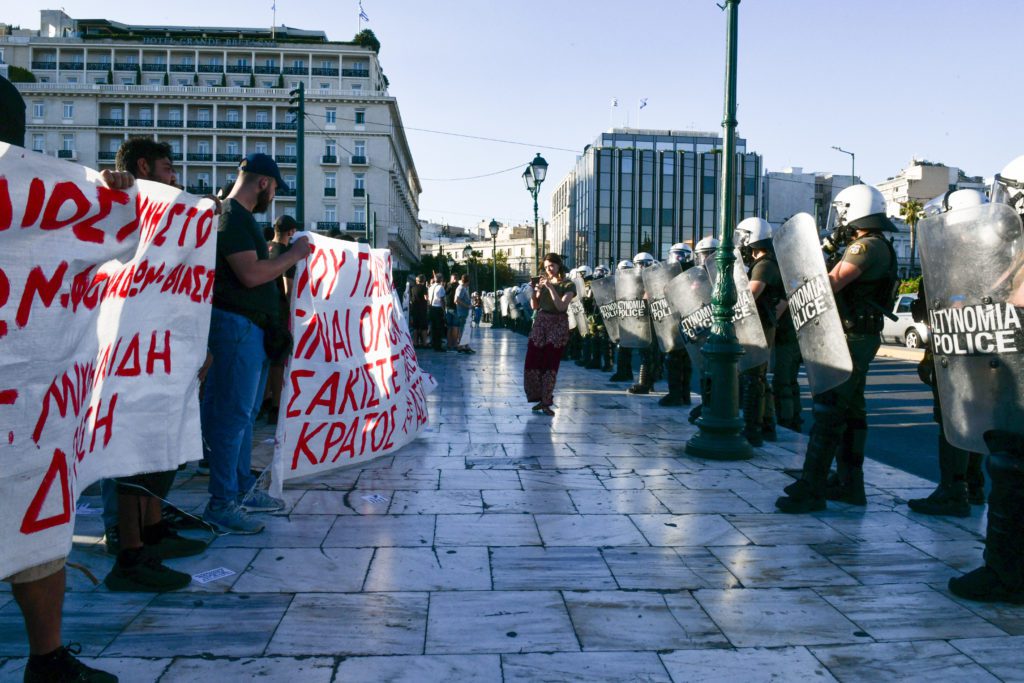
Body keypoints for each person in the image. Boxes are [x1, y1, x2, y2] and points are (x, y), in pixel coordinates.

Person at [1, 72, 119, 683]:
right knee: (33, 511)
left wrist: (115, 196)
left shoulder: (38, 202)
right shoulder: (36, 198)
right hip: (27, 402)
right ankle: (46, 660)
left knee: (35, 512)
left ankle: (48, 660)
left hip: (26, 401)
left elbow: (126, 241)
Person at [99, 138, 209, 593]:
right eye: (167, 168)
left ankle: (151, 531)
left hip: (163, 350)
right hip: (126, 352)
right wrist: (109, 187)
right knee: (132, 448)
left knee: (162, 443)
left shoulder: (169, 214)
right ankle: (130, 552)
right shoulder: (114, 200)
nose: (174, 177)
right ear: (144, 166)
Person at [201, 153, 309, 534]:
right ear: (263, 183)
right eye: (275, 188)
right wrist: (294, 255)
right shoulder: (232, 216)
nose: (274, 197)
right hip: (236, 327)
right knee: (232, 416)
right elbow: (250, 274)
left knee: (241, 416)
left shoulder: (240, 218)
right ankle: (222, 502)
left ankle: (241, 488)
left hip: (248, 329)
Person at [775, 184, 898, 513]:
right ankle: (849, 484)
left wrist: (822, 254)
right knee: (851, 411)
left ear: (854, 210)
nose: (839, 217)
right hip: (857, 333)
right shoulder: (873, 243)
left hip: (853, 335)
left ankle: (812, 487)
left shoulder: (866, 247)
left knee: (830, 407)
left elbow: (830, 283)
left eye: (843, 209)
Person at [737, 218, 784, 446]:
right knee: (759, 378)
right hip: (760, 325)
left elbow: (750, 295)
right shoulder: (763, 263)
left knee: (753, 377)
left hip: (762, 326)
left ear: (751, 238)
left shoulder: (765, 265)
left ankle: (753, 428)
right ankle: (766, 425)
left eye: (742, 237)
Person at [524, 253, 576, 416]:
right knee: (532, 360)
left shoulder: (568, 285)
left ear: (559, 265)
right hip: (541, 322)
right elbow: (534, 306)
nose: (549, 270)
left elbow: (561, 307)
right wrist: (534, 291)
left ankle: (546, 401)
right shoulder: (543, 282)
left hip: (557, 324)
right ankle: (537, 397)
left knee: (550, 364)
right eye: (546, 267)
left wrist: (551, 287)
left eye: (551, 266)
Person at [260, 214, 300, 425]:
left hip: (261, 309)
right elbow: (288, 288)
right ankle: (276, 405)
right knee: (278, 360)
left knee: (264, 357)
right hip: (279, 312)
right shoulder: (286, 253)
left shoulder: (265, 247)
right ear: (291, 232)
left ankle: (262, 399)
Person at [660, 244, 695, 406]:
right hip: (687, 321)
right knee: (684, 360)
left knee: (675, 359)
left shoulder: (688, 274)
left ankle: (676, 394)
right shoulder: (693, 272)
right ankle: (684, 394)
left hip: (682, 320)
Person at [627, 252, 659, 395]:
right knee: (645, 351)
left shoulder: (655, 279)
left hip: (652, 319)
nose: (642, 267)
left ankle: (645, 383)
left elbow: (648, 298)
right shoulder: (633, 281)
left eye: (645, 264)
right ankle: (649, 382)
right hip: (641, 319)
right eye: (640, 264)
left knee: (648, 351)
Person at [453, 274, 475, 353]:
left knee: (466, 329)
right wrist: (467, 306)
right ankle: (461, 346)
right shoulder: (461, 288)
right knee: (463, 329)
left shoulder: (463, 288)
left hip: (464, 312)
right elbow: (456, 300)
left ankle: (466, 345)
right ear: (468, 281)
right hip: (463, 312)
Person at [408, 275, 430, 347]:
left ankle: (415, 343)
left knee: (415, 327)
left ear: (417, 281)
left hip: (414, 309)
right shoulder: (424, 288)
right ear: (423, 280)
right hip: (422, 309)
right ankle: (424, 343)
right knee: (424, 328)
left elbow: (411, 299)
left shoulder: (412, 288)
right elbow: (426, 298)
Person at [428, 273, 447, 351]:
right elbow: (442, 300)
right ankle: (438, 346)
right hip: (438, 308)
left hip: (431, 308)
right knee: (438, 328)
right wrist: (444, 310)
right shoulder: (441, 287)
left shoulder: (431, 287)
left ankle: (433, 343)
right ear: (441, 279)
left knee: (433, 327)